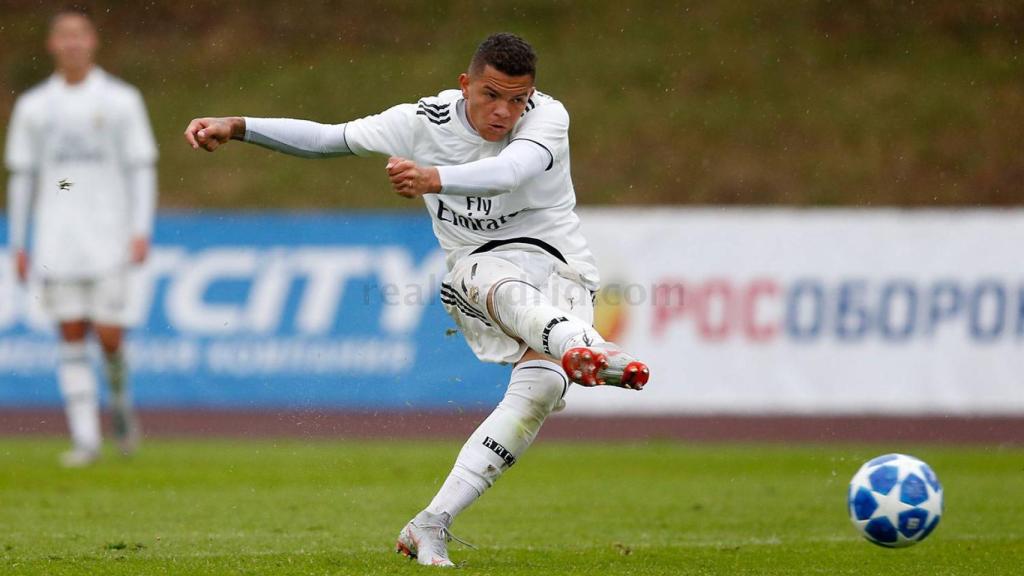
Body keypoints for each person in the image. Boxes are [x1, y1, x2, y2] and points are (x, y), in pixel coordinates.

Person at [184, 32, 649, 566]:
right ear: (464, 84)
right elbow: (328, 138)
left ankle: (430, 524)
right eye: (490, 96)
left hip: (561, 270)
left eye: (516, 100)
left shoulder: (549, 117)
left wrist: (434, 178)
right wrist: (238, 127)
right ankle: (585, 347)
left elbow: (510, 172)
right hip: (479, 269)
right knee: (494, 281)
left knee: (540, 389)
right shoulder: (421, 122)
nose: (504, 112)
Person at [4, 7, 158, 467]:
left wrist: (140, 228)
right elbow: (22, 177)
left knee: (110, 338)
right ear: (52, 45)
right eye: (63, 36)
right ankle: (86, 439)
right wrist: (18, 240)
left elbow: (141, 168)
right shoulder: (33, 107)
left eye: (80, 35)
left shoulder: (121, 100)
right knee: (69, 334)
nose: (72, 43)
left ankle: (121, 409)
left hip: (109, 236)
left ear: (92, 42)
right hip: (56, 240)